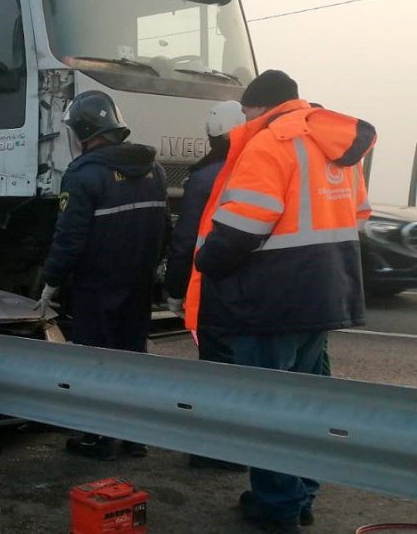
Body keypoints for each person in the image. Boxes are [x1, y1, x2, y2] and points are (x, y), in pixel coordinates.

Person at [188, 70, 374, 534]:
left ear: (259, 107)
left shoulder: (272, 142)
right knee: (306, 403)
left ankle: (277, 508)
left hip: (270, 301)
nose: (244, 121)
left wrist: (206, 259)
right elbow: (361, 219)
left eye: (247, 112)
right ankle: (300, 495)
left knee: (267, 407)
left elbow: (244, 226)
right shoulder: (335, 145)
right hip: (325, 292)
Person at [33, 90, 169, 461]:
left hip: (97, 287)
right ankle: (134, 436)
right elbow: (163, 231)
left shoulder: (83, 175)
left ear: (84, 131)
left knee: (96, 362)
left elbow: (70, 236)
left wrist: (52, 280)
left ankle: (96, 437)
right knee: (132, 358)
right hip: (139, 285)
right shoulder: (153, 170)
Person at [164, 100, 249, 472]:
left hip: (215, 286)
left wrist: (173, 288)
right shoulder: (260, 166)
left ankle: (216, 452)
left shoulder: (204, 178)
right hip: (260, 288)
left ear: (212, 136)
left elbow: (185, 240)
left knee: (216, 368)